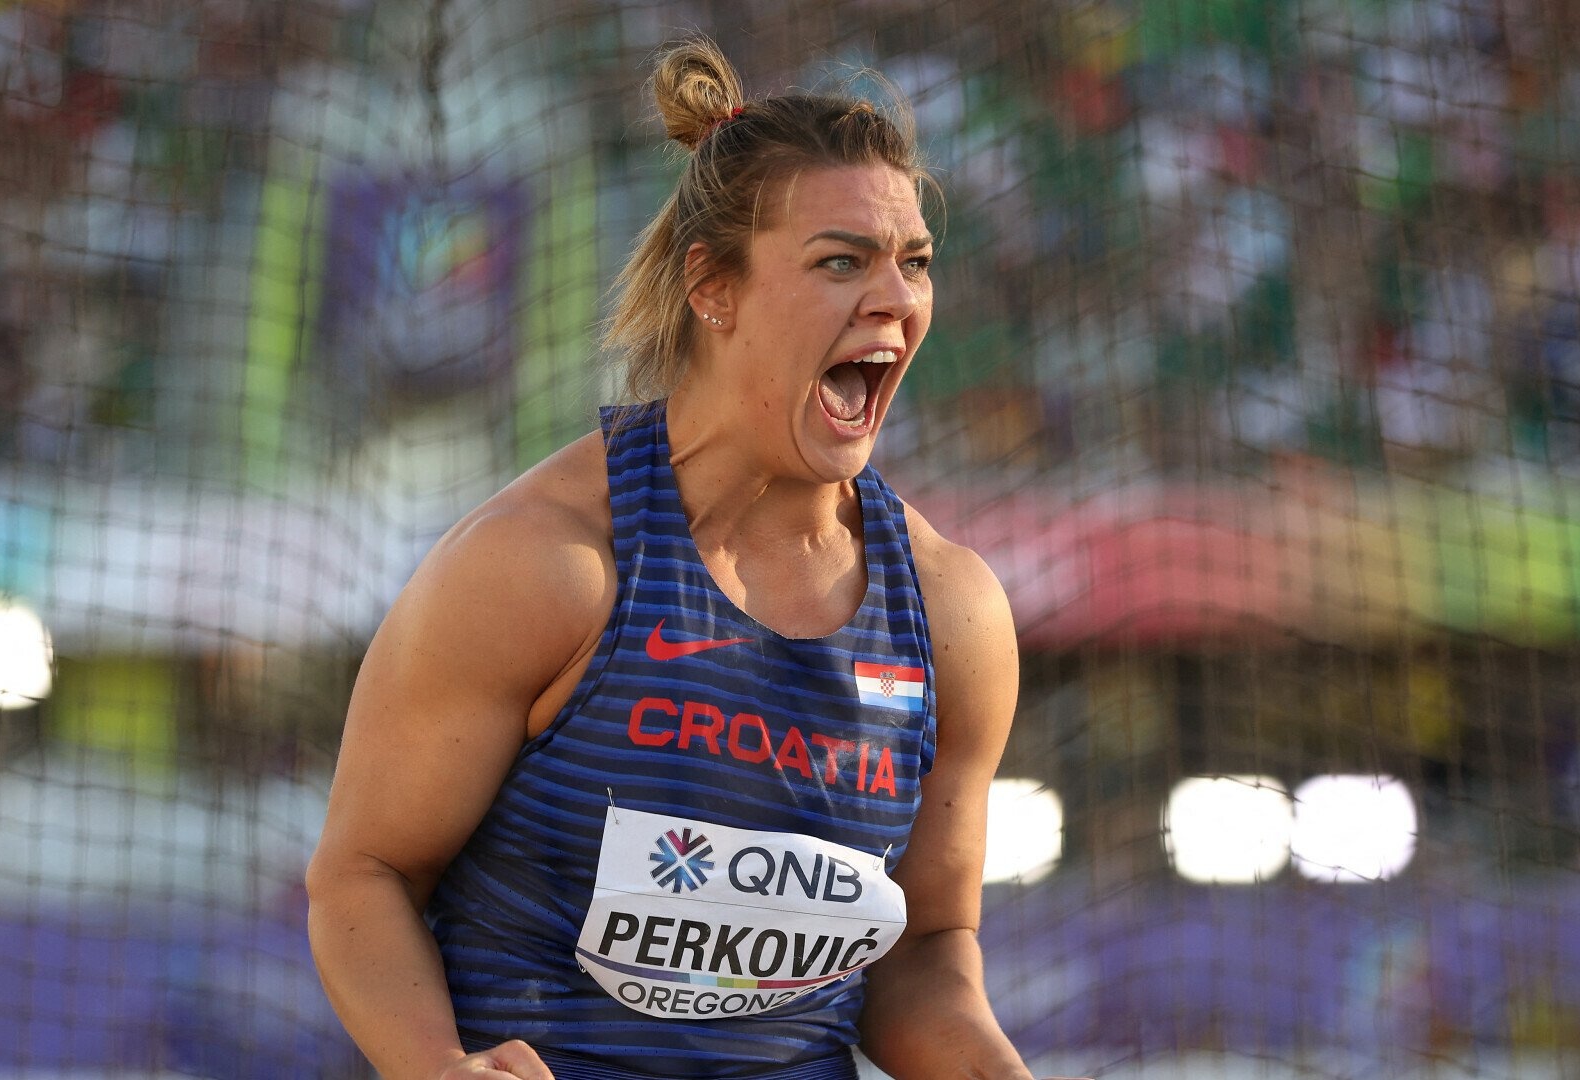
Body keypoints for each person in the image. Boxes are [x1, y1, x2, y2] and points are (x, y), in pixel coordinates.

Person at [305, 38, 1047, 1080]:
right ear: (713, 286)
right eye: (842, 260)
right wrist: (435, 1067)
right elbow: (361, 877)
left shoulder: (951, 613)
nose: (896, 299)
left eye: (914, 261)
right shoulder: (548, 566)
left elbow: (923, 954)